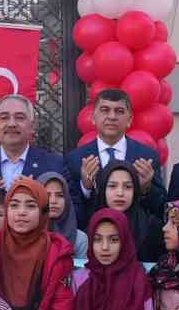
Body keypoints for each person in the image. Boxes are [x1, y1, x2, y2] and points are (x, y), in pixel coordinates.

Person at [0, 177, 76, 310]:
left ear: (43, 212)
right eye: (14, 205)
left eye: (30, 206)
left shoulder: (57, 253)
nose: (21, 212)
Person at [67, 87, 167, 224]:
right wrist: (85, 188)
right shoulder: (76, 158)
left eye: (119, 111)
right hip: (92, 234)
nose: (112, 117)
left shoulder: (146, 156)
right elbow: (70, 212)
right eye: (105, 110)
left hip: (136, 234)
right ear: (93, 118)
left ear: (129, 119)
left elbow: (161, 208)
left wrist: (147, 188)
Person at [0, 94, 66, 196]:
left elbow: (69, 206)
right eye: (4, 118)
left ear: (33, 126)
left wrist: (41, 198)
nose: (12, 124)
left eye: (20, 117)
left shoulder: (54, 165)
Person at [89, 158, 165, 263]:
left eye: (128, 187)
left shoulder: (152, 226)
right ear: (103, 189)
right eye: (112, 186)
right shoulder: (92, 226)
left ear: (135, 190)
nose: (120, 193)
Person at [40, 171, 88, 258]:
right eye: (47, 195)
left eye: (60, 195)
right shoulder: (27, 236)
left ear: (67, 199)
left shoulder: (79, 239)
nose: (53, 201)